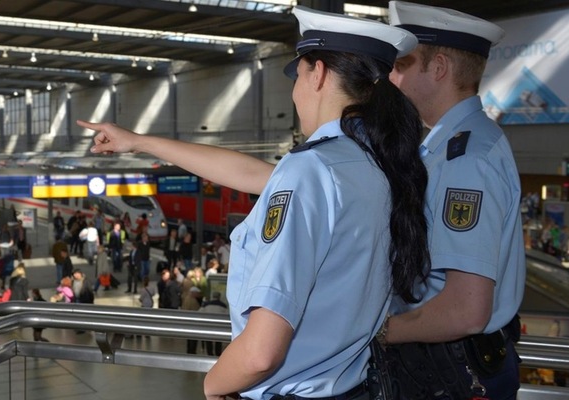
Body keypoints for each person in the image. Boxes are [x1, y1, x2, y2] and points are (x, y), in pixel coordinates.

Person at [78, 5, 430, 399]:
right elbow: (251, 174)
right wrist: (138, 142)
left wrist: (211, 386)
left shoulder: (313, 170)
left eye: (297, 76)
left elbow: (262, 352)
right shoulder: (371, 164)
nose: (294, 91)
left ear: (318, 75)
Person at [380, 2, 526, 399]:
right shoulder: (449, 147)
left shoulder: (467, 161)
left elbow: (466, 309)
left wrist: (377, 332)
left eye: (402, 66)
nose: (391, 79)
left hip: (451, 374)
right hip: (445, 369)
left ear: (439, 68)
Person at [199, 291, 228, 357]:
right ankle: (218, 353)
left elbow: (200, 312)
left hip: (208, 324)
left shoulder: (206, 304)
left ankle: (209, 353)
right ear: (219, 297)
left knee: (208, 340)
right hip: (219, 325)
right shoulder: (223, 305)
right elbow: (227, 315)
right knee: (218, 340)